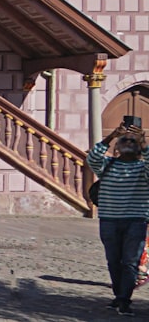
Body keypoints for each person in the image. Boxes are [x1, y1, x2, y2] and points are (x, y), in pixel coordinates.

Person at [87, 122, 149, 316]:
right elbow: (92, 158)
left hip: (136, 221)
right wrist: (112, 135)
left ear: (138, 146)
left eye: (133, 140)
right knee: (113, 261)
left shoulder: (143, 169)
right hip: (109, 220)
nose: (128, 142)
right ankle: (119, 295)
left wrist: (145, 143)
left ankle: (124, 300)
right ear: (118, 146)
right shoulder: (107, 165)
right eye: (125, 140)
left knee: (130, 262)